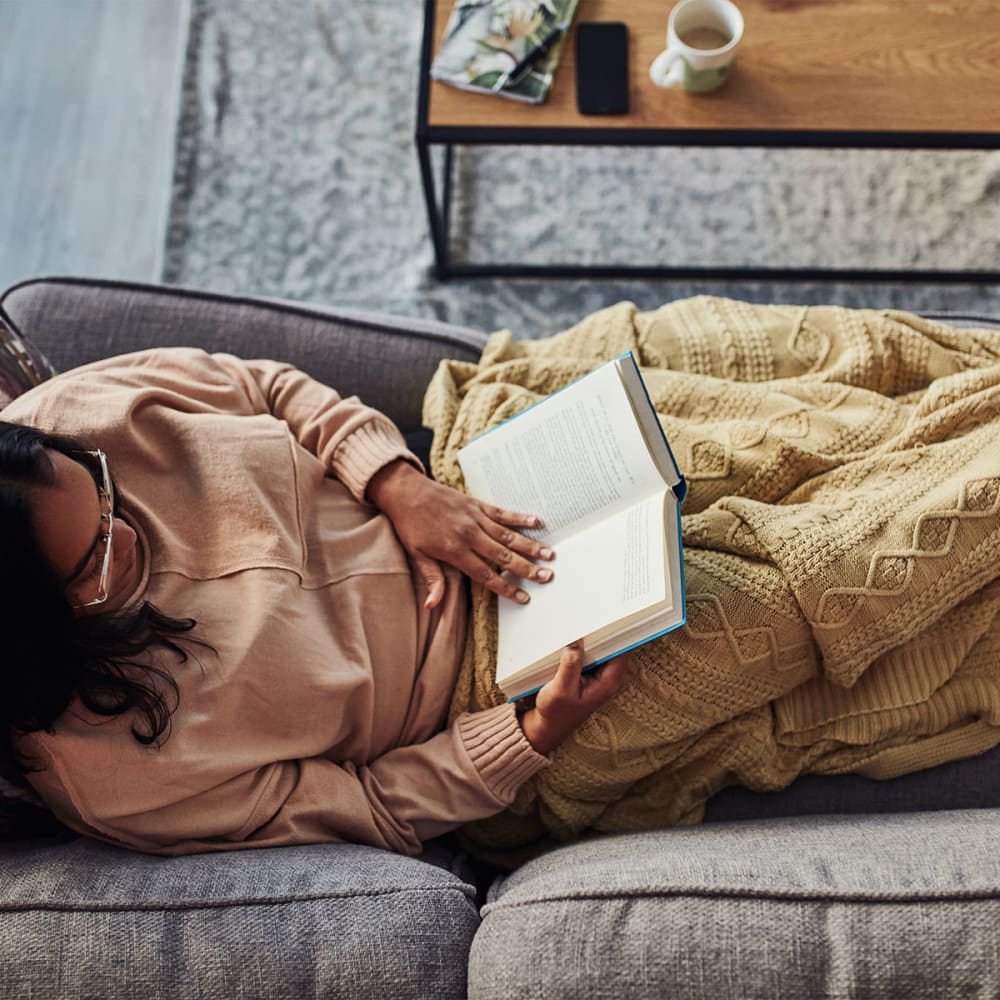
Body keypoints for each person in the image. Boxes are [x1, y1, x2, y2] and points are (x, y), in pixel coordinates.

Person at [0, 347, 630, 856]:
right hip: (487, 692)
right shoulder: (110, 780)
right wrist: (528, 734)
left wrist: (396, 483)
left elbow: (265, 387)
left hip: (451, 478)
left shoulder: (65, 414)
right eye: (95, 562)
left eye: (105, 491)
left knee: (656, 383)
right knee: (720, 600)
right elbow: (367, 805)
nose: (130, 534)